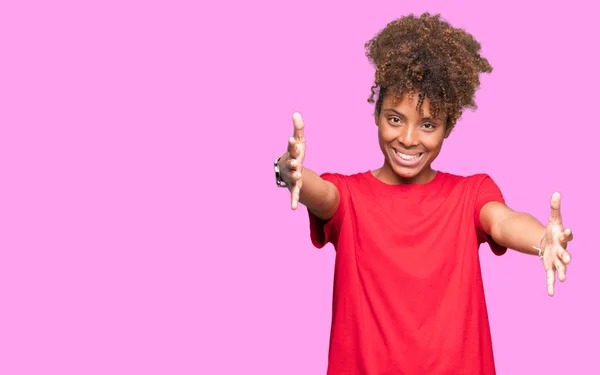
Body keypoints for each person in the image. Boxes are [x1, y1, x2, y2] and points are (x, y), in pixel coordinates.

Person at [273, 12, 574, 375]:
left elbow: (503, 221)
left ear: (448, 128)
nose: (409, 139)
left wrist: (542, 239)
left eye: (428, 124)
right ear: (377, 115)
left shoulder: (469, 193)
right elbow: (322, 193)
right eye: (395, 119)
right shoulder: (349, 196)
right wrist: (291, 173)